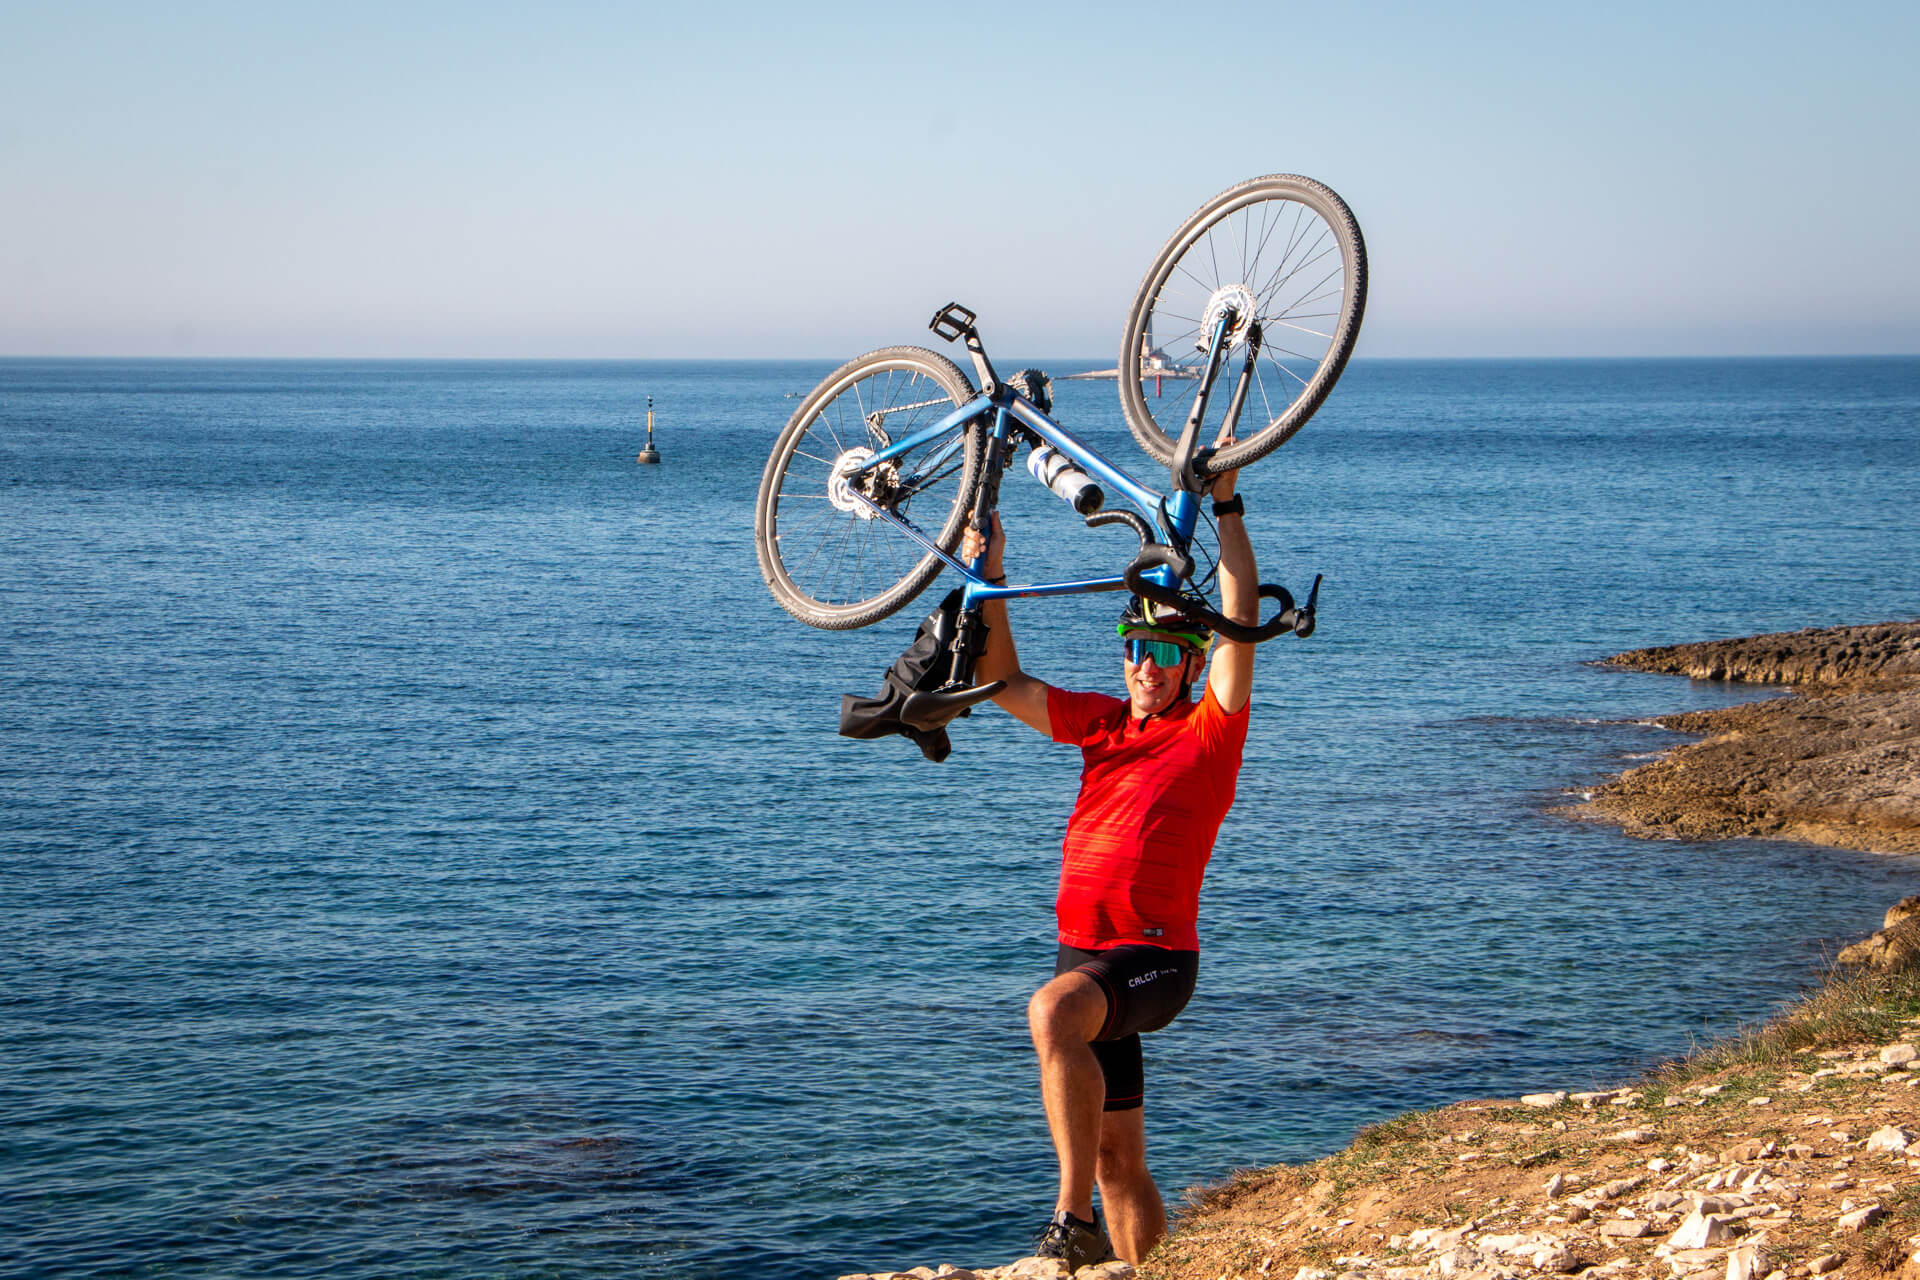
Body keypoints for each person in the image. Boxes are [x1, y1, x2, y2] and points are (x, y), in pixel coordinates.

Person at [959, 454, 1257, 1270]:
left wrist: (1226, 509)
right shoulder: (1099, 725)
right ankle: (1142, 1262)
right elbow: (1004, 682)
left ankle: (1071, 1218)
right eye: (1135, 649)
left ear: (1192, 666)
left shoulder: (1209, 731)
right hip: (1084, 953)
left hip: (1155, 957)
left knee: (1051, 1013)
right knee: (1120, 1158)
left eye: (1164, 655)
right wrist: (991, 573)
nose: (1146, 667)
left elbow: (1236, 610)